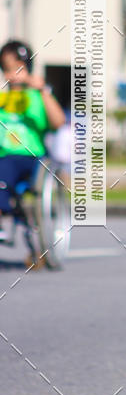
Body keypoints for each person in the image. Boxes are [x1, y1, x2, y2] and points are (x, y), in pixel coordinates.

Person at [0, 40, 65, 268]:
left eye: (18, 68)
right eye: (7, 69)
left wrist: (42, 91)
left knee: (4, 171)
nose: (13, 74)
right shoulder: (3, 99)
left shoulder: (38, 97)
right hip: (4, 157)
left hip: (30, 158)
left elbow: (58, 122)